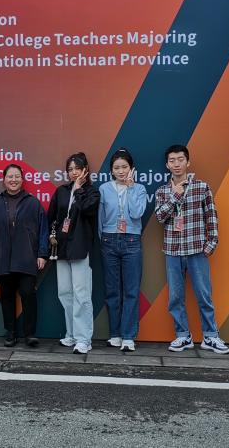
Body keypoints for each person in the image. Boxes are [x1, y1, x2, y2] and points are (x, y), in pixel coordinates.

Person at [153, 144, 229, 354]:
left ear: (188, 162)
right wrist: (175, 195)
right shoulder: (162, 191)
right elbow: (160, 217)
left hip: (197, 249)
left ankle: (210, 336)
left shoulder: (202, 187)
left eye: (180, 159)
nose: (176, 164)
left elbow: (211, 216)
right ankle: (183, 336)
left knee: (204, 295)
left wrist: (211, 243)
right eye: (172, 160)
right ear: (167, 165)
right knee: (175, 297)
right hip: (173, 251)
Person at [0, 164, 49, 347]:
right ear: (4, 180)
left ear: (22, 179)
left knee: (28, 293)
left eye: (17, 176)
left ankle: (30, 334)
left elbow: (43, 230)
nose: (13, 180)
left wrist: (42, 254)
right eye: (10, 176)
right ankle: (10, 332)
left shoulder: (33, 203)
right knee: (7, 295)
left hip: (27, 257)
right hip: (2, 258)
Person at [47, 152, 100, 354]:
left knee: (81, 294)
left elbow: (87, 209)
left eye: (77, 168)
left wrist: (78, 190)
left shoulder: (92, 192)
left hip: (80, 248)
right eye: (70, 169)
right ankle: (71, 334)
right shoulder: (61, 191)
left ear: (85, 170)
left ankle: (84, 338)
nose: (73, 172)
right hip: (61, 249)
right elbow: (51, 217)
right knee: (65, 293)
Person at [98, 148, 148, 352]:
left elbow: (136, 214)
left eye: (124, 167)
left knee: (131, 290)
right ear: (111, 170)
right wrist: (102, 240)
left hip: (132, 240)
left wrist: (130, 188)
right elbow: (100, 218)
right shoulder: (104, 189)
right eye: (117, 167)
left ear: (132, 168)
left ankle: (128, 336)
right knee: (112, 290)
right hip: (109, 240)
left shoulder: (139, 189)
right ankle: (115, 334)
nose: (120, 171)